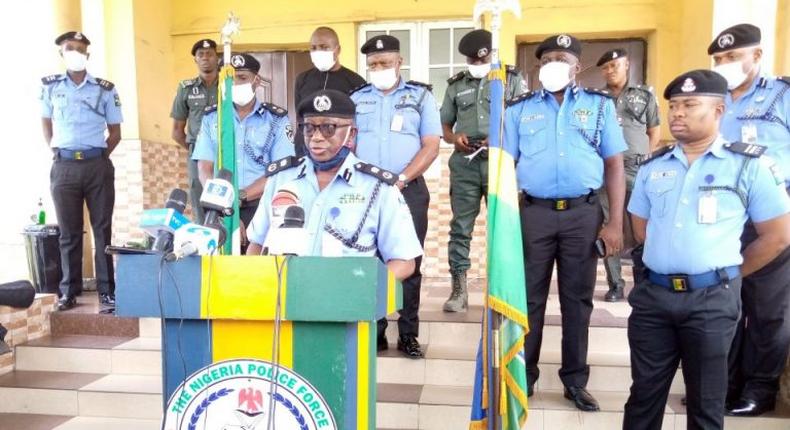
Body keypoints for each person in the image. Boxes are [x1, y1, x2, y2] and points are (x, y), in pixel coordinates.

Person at [622, 69, 790, 430]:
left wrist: (729, 275)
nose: (677, 113)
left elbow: (777, 235)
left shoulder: (749, 165)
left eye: (689, 104)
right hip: (654, 298)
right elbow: (640, 227)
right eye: (674, 106)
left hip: (712, 301)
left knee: (706, 402)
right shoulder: (655, 166)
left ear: (719, 110)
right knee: (643, 397)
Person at [504, 33, 627, 411]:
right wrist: (504, 224)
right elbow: (504, 169)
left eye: (562, 58)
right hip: (535, 214)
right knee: (529, 301)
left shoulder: (599, 107)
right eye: (547, 59)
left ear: (577, 66)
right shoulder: (518, 110)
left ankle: (575, 380)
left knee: (577, 301)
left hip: (582, 214)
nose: (553, 64)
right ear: (538, 67)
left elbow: (614, 165)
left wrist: (615, 224)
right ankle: (526, 376)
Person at [246, 89, 422, 282]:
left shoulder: (378, 188)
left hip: (346, 306)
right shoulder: (281, 179)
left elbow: (404, 261)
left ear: (351, 134)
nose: (316, 137)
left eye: (328, 128)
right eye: (309, 128)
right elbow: (257, 244)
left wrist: (362, 288)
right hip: (283, 303)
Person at [706, 23, 790, 417]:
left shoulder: (782, 95)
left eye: (733, 57)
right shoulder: (712, 99)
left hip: (770, 218)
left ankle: (759, 389)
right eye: (719, 59)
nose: (725, 64)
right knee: (724, 302)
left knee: (768, 308)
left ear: (756, 56)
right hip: (721, 216)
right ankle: (722, 385)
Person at [351, 34, 442, 358]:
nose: (379, 68)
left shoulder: (420, 97)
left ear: (399, 63)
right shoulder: (356, 98)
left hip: (408, 190)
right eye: (373, 64)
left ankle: (408, 334)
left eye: (385, 63)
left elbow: (431, 145)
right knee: (368, 260)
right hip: (365, 193)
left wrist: (402, 178)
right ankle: (375, 331)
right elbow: (348, 144)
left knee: (409, 263)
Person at [440, 29, 527, 312]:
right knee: (460, 228)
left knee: (502, 228)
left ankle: (502, 293)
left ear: (492, 55)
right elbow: (444, 126)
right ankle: (459, 291)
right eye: (470, 60)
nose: (475, 65)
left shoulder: (510, 80)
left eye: (481, 59)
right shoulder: (455, 85)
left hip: (499, 163)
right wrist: (455, 138)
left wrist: (501, 138)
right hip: (465, 165)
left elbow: (522, 122)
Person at [40, 31, 123, 311]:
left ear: (88, 54)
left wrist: (97, 156)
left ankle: (106, 292)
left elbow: (115, 132)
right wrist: (58, 151)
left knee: (102, 231)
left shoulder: (105, 88)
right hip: (63, 167)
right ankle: (68, 292)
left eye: (80, 48)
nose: (75, 52)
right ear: (61, 53)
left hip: (96, 165)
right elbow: (46, 124)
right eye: (69, 48)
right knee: (68, 233)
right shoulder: (50, 87)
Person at [192, 53, 294, 251]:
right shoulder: (213, 118)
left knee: (259, 269)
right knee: (220, 267)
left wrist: (241, 196)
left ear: (256, 81)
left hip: (261, 205)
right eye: (231, 79)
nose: (235, 84)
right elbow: (205, 166)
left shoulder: (276, 119)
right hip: (219, 207)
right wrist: (224, 205)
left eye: (243, 78)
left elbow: (280, 171)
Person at [596, 48, 661, 302]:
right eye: (606, 67)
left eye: (615, 65)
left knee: (643, 226)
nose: (610, 71)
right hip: (606, 171)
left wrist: (646, 156)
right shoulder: (597, 99)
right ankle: (616, 284)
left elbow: (654, 131)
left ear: (627, 66)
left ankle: (644, 281)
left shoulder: (644, 95)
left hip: (637, 168)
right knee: (610, 225)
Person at [293, 27, 366, 157]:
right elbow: (300, 117)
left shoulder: (355, 81)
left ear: (337, 50)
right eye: (313, 48)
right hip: (307, 150)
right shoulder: (303, 79)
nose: (318, 51)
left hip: (340, 151)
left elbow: (358, 121)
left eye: (324, 47)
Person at [170, 38, 219, 222]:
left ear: (217, 58)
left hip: (227, 151)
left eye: (210, 54)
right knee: (200, 200)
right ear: (195, 60)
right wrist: (197, 151)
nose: (205, 57)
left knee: (228, 195)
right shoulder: (186, 89)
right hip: (197, 154)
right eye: (201, 54)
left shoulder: (228, 86)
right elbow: (176, 131)